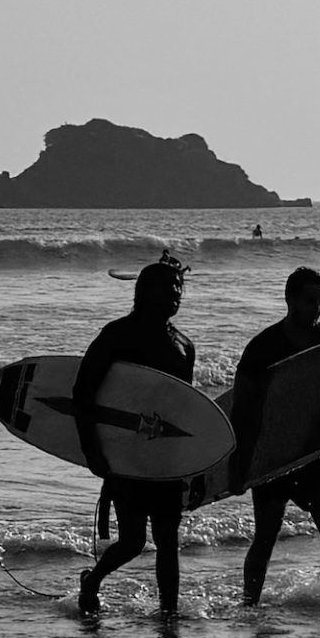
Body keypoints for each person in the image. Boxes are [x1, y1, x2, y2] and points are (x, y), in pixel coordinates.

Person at [232, 267, 320, 608]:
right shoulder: (263, 347)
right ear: (290, 299)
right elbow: (242, 407)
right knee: (265, 537)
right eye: (310, 301)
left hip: (311, 452)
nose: (317, 308)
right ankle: (249, 605)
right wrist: (239, 464)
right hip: (272, 455)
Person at [76, 258, 194, 619]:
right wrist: (93, 450)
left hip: (164, 457)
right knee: (132, 541)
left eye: (179, 288)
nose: (175, 294)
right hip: (125, 454)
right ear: (144, 291)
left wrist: (190, 462)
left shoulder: (184, 346)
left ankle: (169, 616)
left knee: (168, 541)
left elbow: (184, 409)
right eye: (167, 287)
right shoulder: (118, 335)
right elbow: (83, 393)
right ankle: (92, 581)